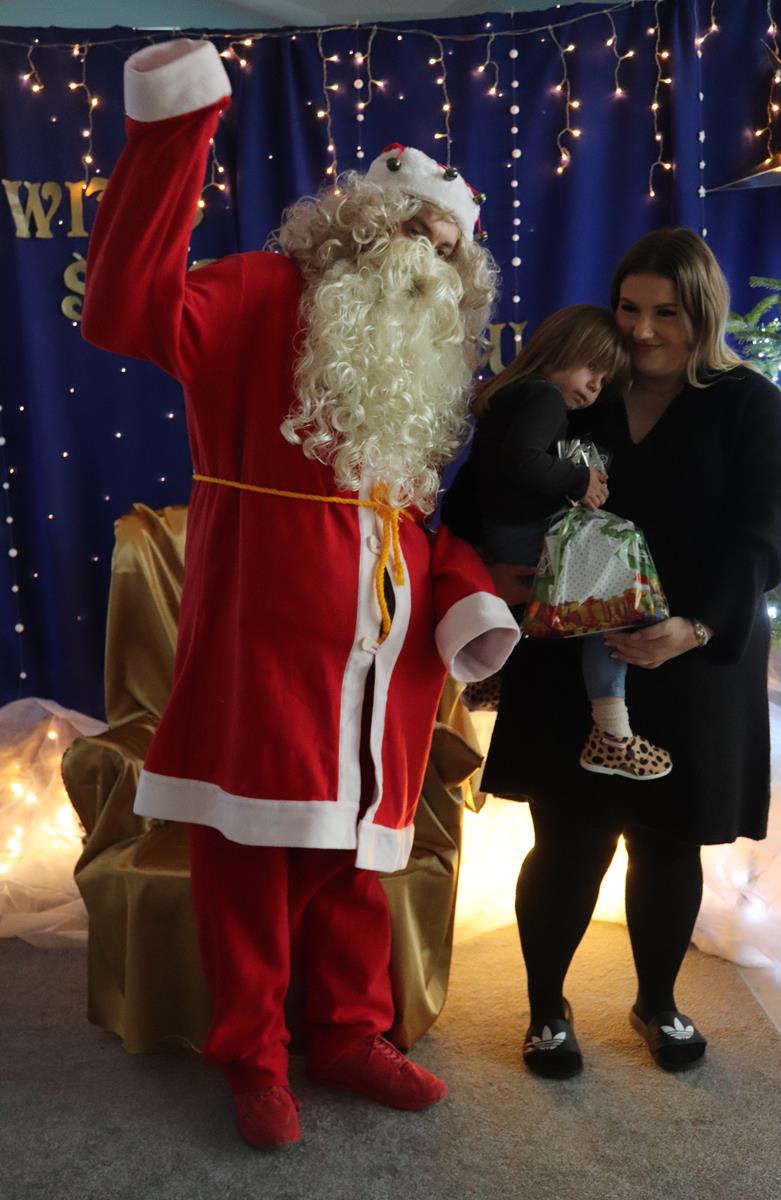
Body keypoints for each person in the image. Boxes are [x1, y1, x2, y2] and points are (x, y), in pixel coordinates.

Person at [81, 39, 520, 1149]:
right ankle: (253, 1058)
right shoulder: (263, 293)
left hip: (379, 671)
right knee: (248, 862)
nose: (424, 257)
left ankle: (349, 1032)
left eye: (445, 248)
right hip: (261, 648)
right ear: (356, 224)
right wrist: (173, 129)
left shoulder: (420, 356)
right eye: (408, 228)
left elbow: (403, 523)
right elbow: (124, 309)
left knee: (353, 866)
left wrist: (462, 596)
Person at [443, 228, 781, 1078]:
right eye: (630, 308)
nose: (642, 330)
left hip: (693, 656)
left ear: (702, 313)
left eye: (665, 313)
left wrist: (697, 627)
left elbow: (764, 529)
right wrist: (489, 567)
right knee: (567, 841)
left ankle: (657, 1002)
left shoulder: (746, 403)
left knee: (670, 844)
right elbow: (488, 482)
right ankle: (546, 1009)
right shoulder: (582, 388)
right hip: (571, 654)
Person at [448, 304, 673, 780]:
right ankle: (612, 733)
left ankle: (491, 677)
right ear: (560, 349)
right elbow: (523, 461)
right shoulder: (542, 398)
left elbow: (482, 475)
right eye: (592, 369)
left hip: (501, 533)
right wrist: (579, 478)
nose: (594, 387)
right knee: (612, 602)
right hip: (523, 532)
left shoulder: (512, 397)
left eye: (603, 380)